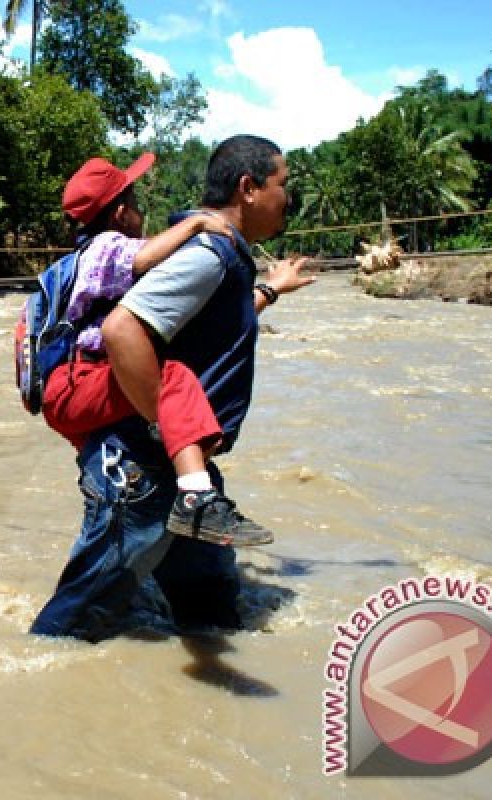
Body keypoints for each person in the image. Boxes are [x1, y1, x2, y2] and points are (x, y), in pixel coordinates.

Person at [30, 135, 315, 642]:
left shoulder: (217, 253)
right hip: (143, 470)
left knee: (211, 619)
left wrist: (270, 290)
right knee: (69, 632)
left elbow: (208, 327)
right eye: (283, 184)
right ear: (249, 188)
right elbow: (123, 329)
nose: (287, 197)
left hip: (176, 471)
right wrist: (165, 426)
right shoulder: (206, 252)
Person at [40, 154, 271, 547]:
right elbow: (144, 260)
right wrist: (196, 222)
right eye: (137, 204)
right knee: (173, 379)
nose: (142, 213)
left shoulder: (88, 254)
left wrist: (270, 290)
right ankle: (196, 497)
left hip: (73, 387)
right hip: (79, 379)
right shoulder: (106, 246)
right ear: (120, 213)